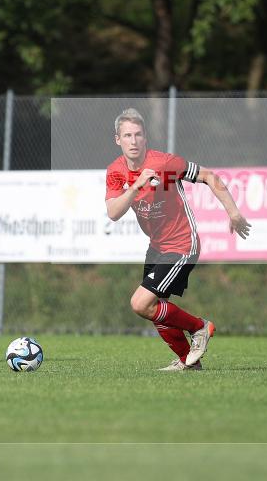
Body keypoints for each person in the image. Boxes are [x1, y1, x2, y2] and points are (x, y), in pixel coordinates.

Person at [105, 108, 250, 371]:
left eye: (138, 134)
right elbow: (113, 212)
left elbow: (208, 176)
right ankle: (188, 362)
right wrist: (136, 187)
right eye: (127, 135)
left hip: (182, 244)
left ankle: (200, 327)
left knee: (140, 303)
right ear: (118, 140)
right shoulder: (115, 171)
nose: (133, 140)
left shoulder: (164, 163)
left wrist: (233, 211)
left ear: (145, 137)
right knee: (153, 308)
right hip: (157, 247)